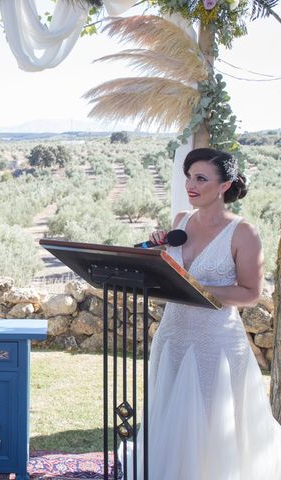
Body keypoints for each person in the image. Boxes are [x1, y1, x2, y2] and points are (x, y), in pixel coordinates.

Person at [125, 147, 281, 479]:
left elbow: (251, 293)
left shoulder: (243, 232)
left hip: (215, 343)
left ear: (224, 185)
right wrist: (159, 251)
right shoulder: (180, 221)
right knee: (172, 415)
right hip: (173, 335)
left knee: (211, 423)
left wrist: (196, 288)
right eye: (188, 177)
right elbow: (172, 272)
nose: (190, 185)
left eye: (201, 178)